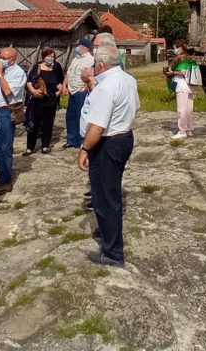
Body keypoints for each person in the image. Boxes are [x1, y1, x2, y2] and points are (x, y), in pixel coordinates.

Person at [78, 45, 139, 268]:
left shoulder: (105, 87)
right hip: (124, 136)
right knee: (110, 190)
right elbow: (136, 106)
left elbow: (97, 126)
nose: (93, 68)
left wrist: (85, 149)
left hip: (107, 143)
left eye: (95, 64)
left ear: (101, 65)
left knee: (105, 197)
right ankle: (108, 233)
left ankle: (112, 253)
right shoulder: (128, 79)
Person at [0, 47, 27, 193]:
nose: (1, 60)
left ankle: (6, 180)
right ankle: (2, 175)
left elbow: (7, 91)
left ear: (12, 60)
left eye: (4, 58)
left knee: (5, 146)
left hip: (7, 111)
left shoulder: (18, 73)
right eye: (0, 57)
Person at [23, 48, 63, 155]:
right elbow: (29, 81)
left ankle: (45, 146)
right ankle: (30, 147)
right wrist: (33, 91)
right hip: (37, 100)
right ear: (43, 57)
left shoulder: (56, 68)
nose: (50, 58)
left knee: (48, 124)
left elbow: (59, 83)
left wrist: (58, 92)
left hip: (50, 100)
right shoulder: (37, 67)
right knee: (34, 123)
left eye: (52, 56)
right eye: (48, 56)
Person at [61, 37, 95, 149]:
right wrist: (64, 85)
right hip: (72, 90)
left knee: (80, 116)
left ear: (84, 47)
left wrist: (86, 86)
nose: (77, 48)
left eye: (78, 46)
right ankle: (71, 140)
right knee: (70, 116)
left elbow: (91, 75)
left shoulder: (90, 60)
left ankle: (81, 140)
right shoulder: (75, 59)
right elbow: (69, 73)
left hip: (81, 91)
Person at [164, 40, 196, 138]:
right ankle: (189, 128)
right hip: (190, 85)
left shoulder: (181, 58)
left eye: (176, 48)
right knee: (188, 109)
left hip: (181, 85)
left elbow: (182, 72)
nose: (175, 50)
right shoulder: (189, 58)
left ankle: (182, 131)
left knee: (182, 109)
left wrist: (172, 73)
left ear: (181, 48)